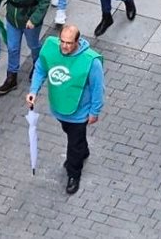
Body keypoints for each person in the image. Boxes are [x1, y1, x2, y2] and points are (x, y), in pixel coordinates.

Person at [26, 24, 104, 195]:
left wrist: (94, 111)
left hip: (79, 113)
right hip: (60, 108)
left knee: (73, 145)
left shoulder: (91, 61)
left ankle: (73, 173)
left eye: (69, 43)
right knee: (71, 135)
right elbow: (40, 68)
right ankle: (82, 150)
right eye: (62, 41)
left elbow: (98, 88)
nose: (64, 46)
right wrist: (33, 90)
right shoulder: (51, 48)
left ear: (78, 41)